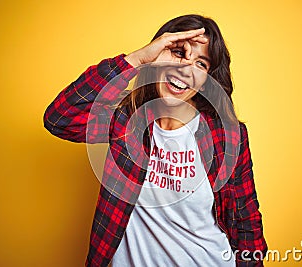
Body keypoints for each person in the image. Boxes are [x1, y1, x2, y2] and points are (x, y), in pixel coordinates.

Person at [44, 14, 267, 267]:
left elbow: (246, 220)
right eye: (179, 53)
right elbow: (59, 118)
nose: (185, 69)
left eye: (201, 64)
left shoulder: (227, 135)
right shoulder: (126, 119)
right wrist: (138, 60)